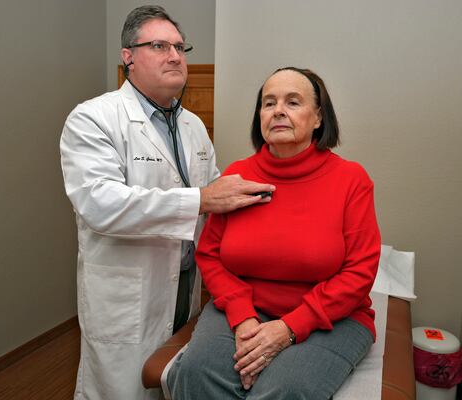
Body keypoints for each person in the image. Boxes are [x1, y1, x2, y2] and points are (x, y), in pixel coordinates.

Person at [60, 5, 274, 400]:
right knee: (119, 391)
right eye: (159, 45)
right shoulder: (93, 118)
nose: (175, 55)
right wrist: (203, 199)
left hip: (185, 284)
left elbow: (215, 195)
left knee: (170, 382)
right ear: (128, 58)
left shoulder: (192, 125)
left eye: (179, 46)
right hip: (129, 293)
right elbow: (100, 204)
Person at [166, 67, 381, 399]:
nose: (278, 110)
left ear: (319, 117)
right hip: (246, 308)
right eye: (269, 103)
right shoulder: (238, 175)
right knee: (196, 372)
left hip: (334, 317)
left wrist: (288, 329)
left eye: (293, 102)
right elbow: (210, 254)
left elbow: (359, 272)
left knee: (285, 390)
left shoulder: (351, 179)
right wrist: (242, 317)